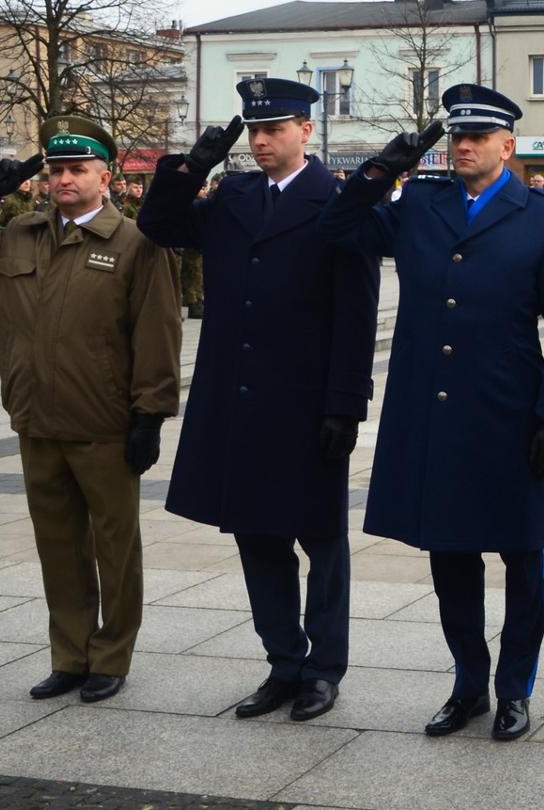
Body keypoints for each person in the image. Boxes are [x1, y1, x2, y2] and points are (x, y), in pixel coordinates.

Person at [317, 83, 544, 740]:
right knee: (449, 554)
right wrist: (386, 166)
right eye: (457, 136)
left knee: (521, 556)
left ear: (507, 146)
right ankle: (469, 682)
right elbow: (338, 227)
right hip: (433, 412)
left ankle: (515, 688)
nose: (464, 146)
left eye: (478, 138)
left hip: (507, 413)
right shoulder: (420, 204)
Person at [138, 77, 381, 723]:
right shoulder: (231, 194)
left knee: (321, 540)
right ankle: (282, 662)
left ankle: (324, 669)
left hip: (306, 401)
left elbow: (356, 314)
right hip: (240, 398)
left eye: (275, 129)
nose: (263, 141)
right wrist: (192, 166)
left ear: (306, 130)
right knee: (255, 535)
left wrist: (345, 403)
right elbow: (159, 224)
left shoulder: (336, 200)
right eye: (254, 131)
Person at [0, 114, 182, 704]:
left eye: (77, 169)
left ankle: (111, 655)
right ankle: (70, 654)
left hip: (105, 425)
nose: (64, 179)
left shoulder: (136, 243)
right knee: (59, 545)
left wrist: (150, 415)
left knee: (115, 548)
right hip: (36, 420)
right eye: (56, 170)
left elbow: (156, 335)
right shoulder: (19, 234)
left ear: (105, 173)